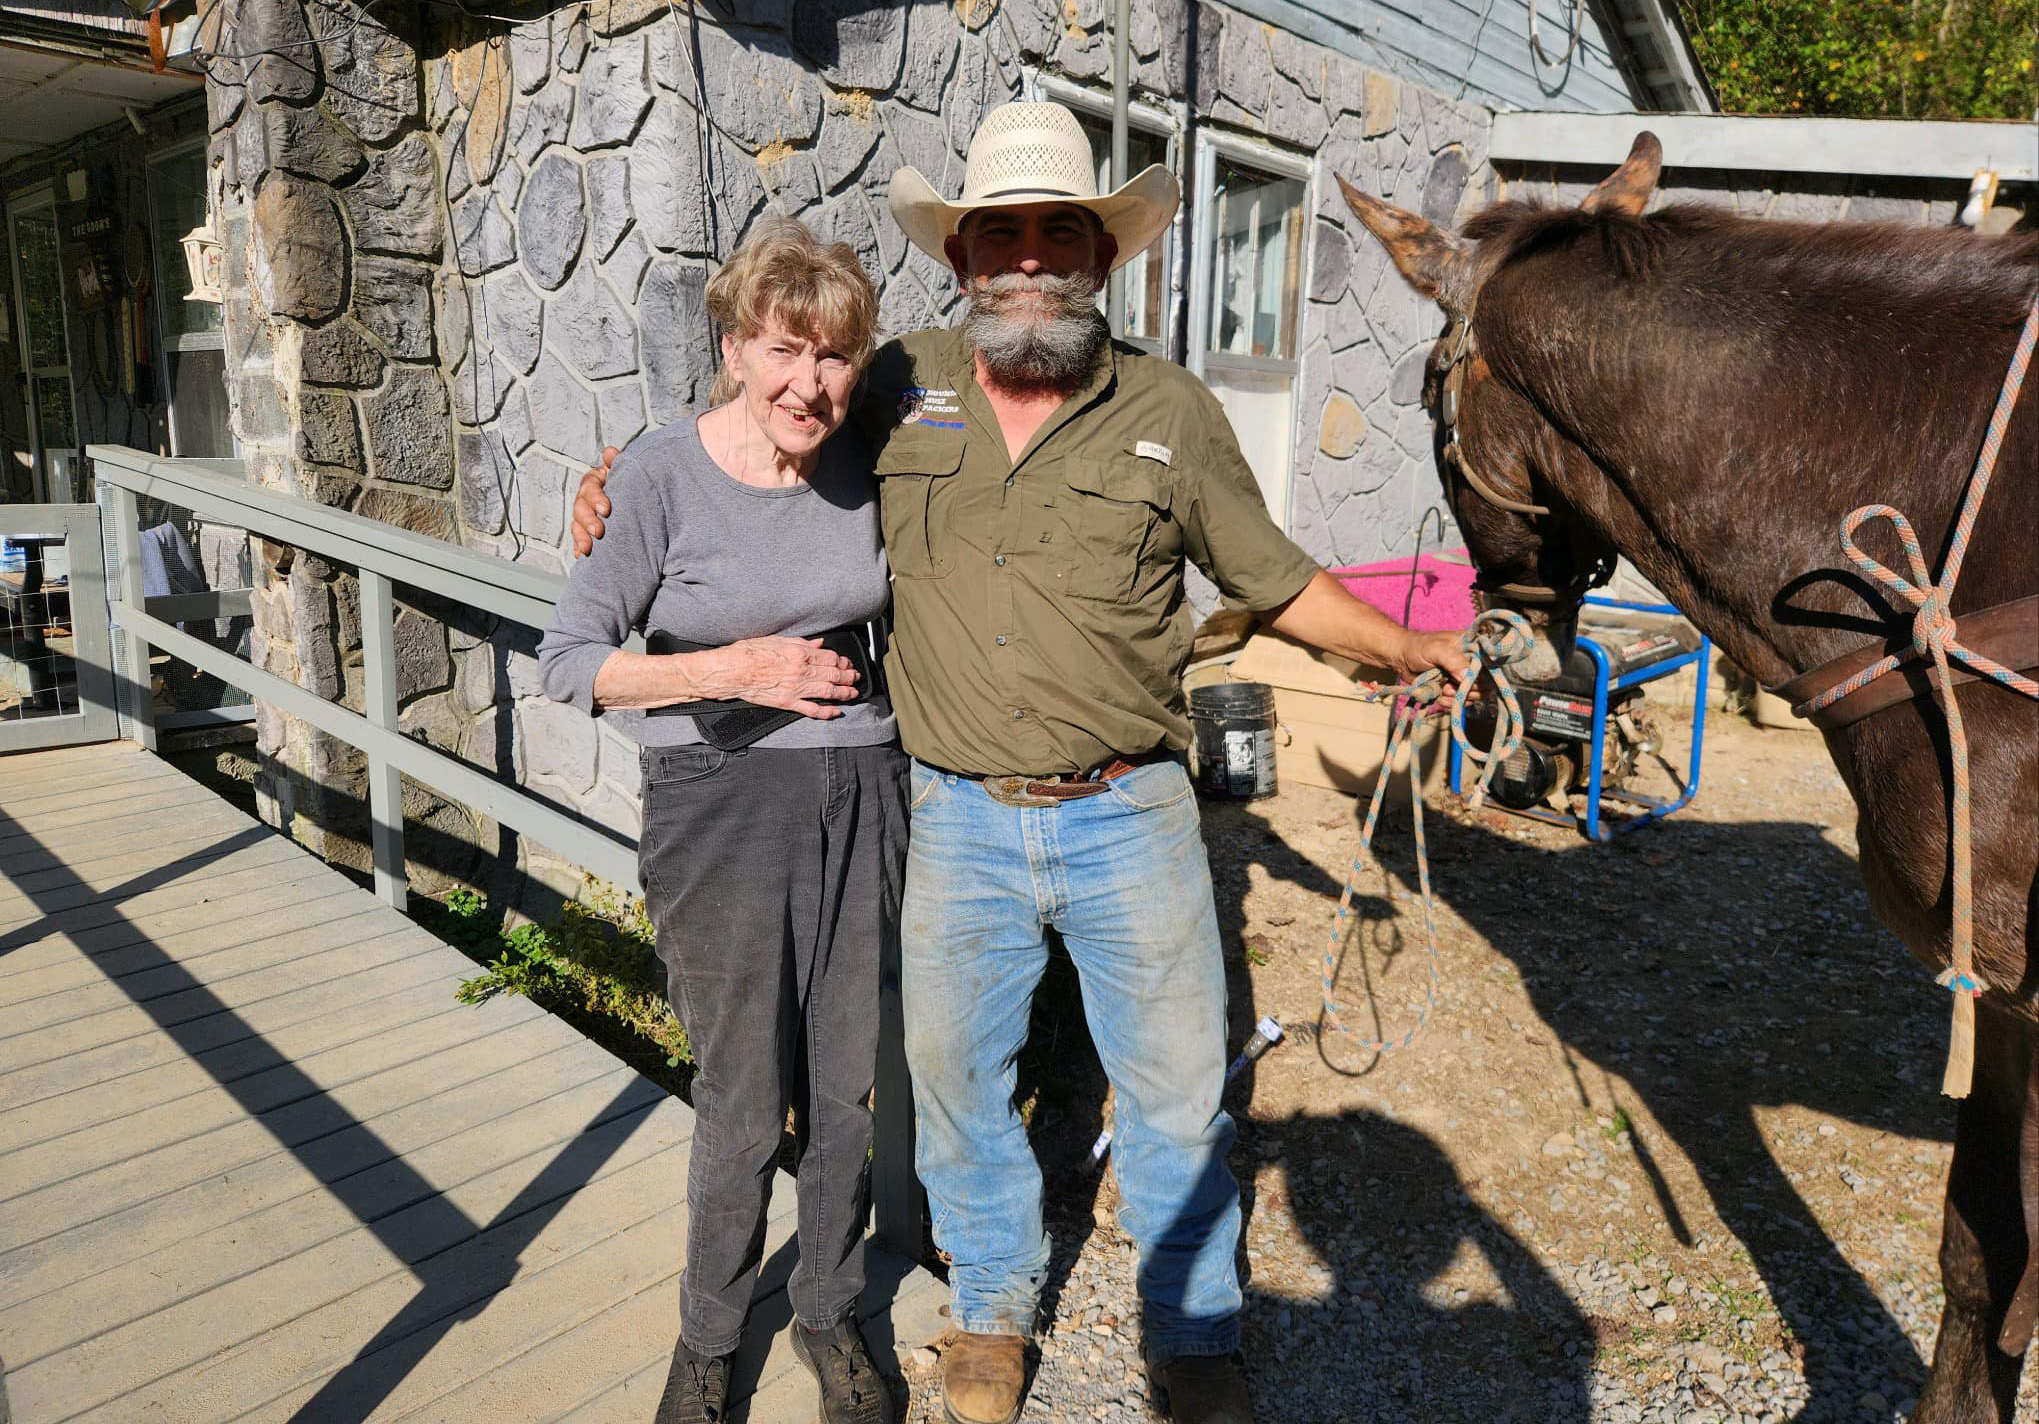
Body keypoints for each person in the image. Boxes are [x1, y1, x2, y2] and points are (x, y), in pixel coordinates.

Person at [570, 103, 1469, 1424]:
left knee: (1170, 1097)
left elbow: (1270, 581)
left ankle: (1192, 1330)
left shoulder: (1167, 407)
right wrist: (621, 476)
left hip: (1132, 812)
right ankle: (990, 1308)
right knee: (958, 1088)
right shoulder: (897, 383)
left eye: (1062, 235)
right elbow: (765, 420)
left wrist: (1406, 650)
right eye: (1004, 236)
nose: (1031, 260)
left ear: (1101, 259)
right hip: (954, 815)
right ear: (964, 256)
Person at [538, 217, 900, 1424]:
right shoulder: (653, 473)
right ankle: (707, 1334)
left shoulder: (877, 453)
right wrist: (728, 667)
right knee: (744, 1095)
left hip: (866, 794)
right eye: (786, 350)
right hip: (719, 805)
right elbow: (568, 661)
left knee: (846, 1083)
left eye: (835, 357)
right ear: (738, 345)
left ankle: (827, 1308)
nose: (812, 383)